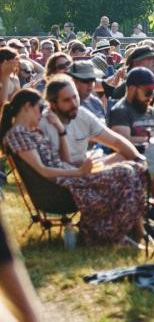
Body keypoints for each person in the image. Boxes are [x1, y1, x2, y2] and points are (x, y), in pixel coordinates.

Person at [1, 88, 146, 245]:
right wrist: (79, 172)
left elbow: (63, 161)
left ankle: (126, 231)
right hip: (60, 188)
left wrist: (61, 131)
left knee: (136, 169)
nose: (41, 114)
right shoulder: (18, 134)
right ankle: (110, 233)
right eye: (40, 108)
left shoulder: (29, 132)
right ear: (27, 107)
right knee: (126, 171)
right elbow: (42, 170)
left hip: (67, 178)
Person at [39, 76, 141, 168]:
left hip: (86, 168)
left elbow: (115, 141)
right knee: (125, 170)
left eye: (75, 97)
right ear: (53, 104)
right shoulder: (43, 124)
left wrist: (139, 159)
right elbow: (57, 166)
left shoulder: (81, 114)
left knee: (124, 158)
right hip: (66, 177)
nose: (74, 104)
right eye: (67, 100)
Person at [108, 67, 154, 150]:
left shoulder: (151, 111)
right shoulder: (120, 111)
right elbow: (122, 143)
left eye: (153, 92)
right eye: (148, 92)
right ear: (132, 89)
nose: (151, 97)